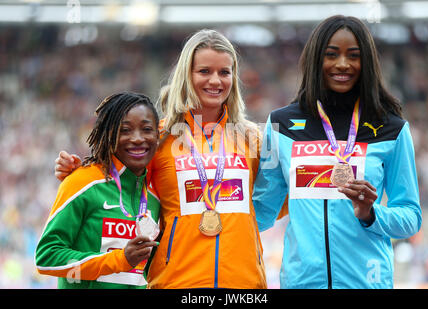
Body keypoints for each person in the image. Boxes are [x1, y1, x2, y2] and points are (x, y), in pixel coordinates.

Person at [53, 29, 267, 289]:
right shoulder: (158, 137)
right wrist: (78, 171)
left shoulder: (252, 138)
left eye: (224, 72)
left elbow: (275, 199)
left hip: (244, 284)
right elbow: (117, 183)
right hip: (176, 282)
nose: (215, 80)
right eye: (204, 71)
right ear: (186, 76)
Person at [253, 15, 422, 289]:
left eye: (353, 56)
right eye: (331, 55)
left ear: (366, 62)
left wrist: (371, 213)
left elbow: (411, 218)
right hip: (300, 283)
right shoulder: (280, 125)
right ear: (315, 60)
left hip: (367, 282)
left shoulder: (391, 128)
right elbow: (262, 210)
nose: (342, 64)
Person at [35, 92, 161, 288]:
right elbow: (46, 256)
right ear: (108, 134)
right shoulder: (82, 182)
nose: (137, 139)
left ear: (157, 136)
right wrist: (119, 260)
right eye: (125, 130)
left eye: (146, 129)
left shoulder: (155, 197)